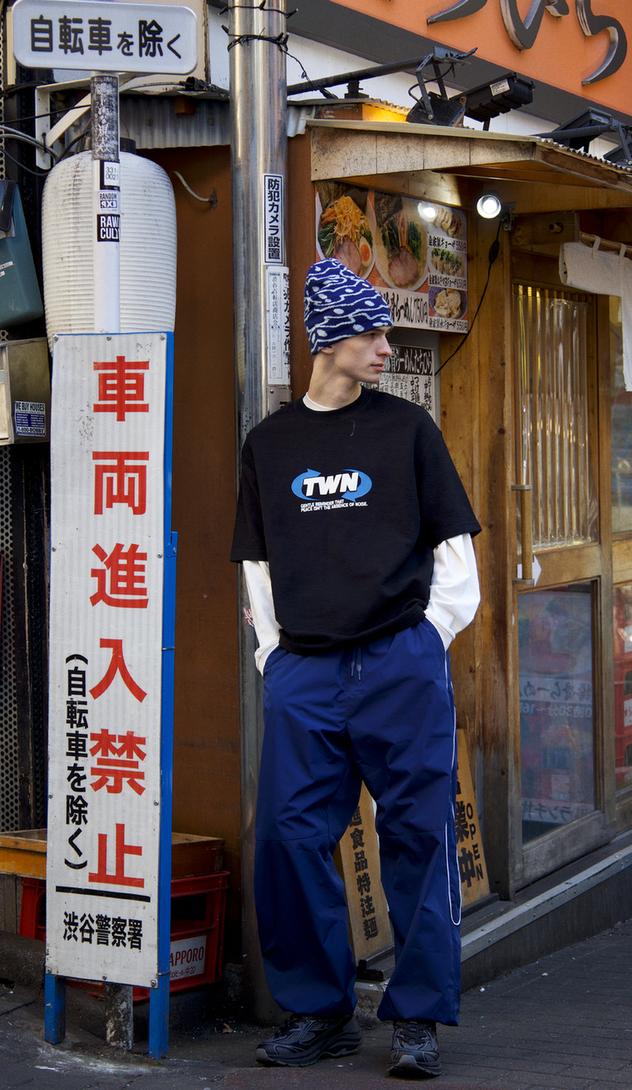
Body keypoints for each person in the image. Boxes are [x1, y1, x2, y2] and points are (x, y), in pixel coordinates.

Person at [230, 258, 481, 1079]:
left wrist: (429, 637)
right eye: (372, 334)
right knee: (289, 835)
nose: (385, 347)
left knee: (417, 834)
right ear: (330, 340)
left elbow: (453, 546)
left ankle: (417, 1019)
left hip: (401, 659)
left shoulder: (407, 430)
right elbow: (256, 561)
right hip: (304, 670)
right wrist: (273, 656)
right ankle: (321, 1011)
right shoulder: (270, 444)